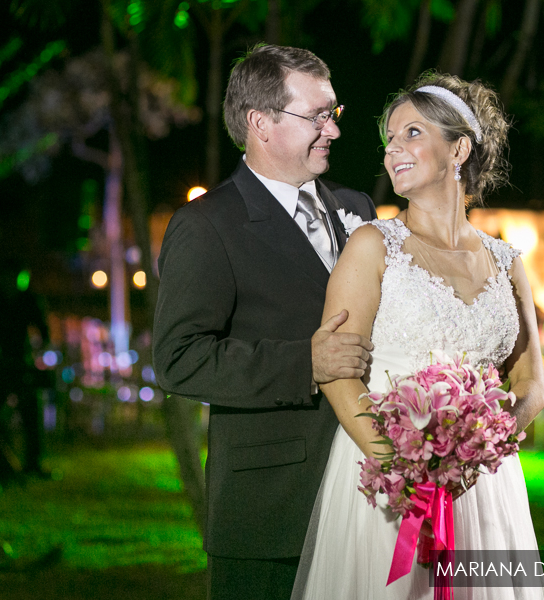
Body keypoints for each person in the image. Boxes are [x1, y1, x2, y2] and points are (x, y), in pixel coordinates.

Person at [292, 74, 544, 599]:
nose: (393, 151)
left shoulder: (507, 262)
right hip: (388, 481)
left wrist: (478, 448)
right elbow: (340, 372)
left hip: (482, 487)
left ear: (459, 148)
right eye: (389, 139)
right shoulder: (372, 245)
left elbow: (530, 382)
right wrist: (404, 470)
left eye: (411, 133)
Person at [152, 45, 377, 600]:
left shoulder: (361, 210)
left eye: (335, 113)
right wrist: (305, 362)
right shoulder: (207, 225)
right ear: (261, 122)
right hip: (269, 512)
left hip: (370, 503)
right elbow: (178, 358)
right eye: (317, 116)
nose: (334, 130)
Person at [0, 261, 51, 480]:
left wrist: (38, 347)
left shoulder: (28, 298)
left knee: (31, 413)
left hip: (21, 363)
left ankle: (32, 462)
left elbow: (43, 328)